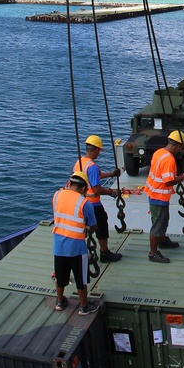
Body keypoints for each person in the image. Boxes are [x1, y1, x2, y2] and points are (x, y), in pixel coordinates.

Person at [144, 130, 184, 263]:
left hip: (153, 193)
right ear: (177, 146)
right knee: (158, 225)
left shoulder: (159, 152)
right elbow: (168, 182)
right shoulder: (169, 160)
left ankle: (162, 239)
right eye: (180, 148)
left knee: (162, 220)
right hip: (159, 197)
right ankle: (153, 253)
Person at [73, 134, 122, 264]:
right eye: (99, 151)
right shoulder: (92, 166)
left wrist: (110, 174)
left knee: (83, 228)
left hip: (80, 202)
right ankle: (105, 253)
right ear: (95, 150)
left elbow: (92, 177)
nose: (99, 154)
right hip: (93, 204)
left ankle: (83, 253)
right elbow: (97, 189)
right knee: (101, 226)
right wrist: (112, 192)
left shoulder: (80, 162)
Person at [51, 172, 96, 313]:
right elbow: (93, 225)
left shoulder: (57, 195)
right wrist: (88, 229)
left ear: (69, 184)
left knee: (60, 276)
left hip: (59, 246)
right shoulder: (85, 203)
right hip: (76, 247)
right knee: (81, 278)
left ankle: (59, 302)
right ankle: (84, 307)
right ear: (83, 188)